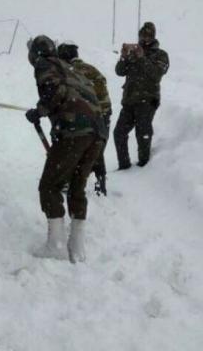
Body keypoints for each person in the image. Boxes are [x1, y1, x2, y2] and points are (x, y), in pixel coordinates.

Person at [25, 35, 107, 263]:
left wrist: (39, 111)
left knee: (50, 186)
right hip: (97, 132)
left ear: (35, 53)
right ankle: (77, 247)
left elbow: (54, 92)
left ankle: (56, 246)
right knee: (77, 186)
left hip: (75, 131)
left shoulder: (45, 64)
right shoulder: (70, 68)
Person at [57, 42, 112, 196]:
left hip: (86, 116)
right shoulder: (92, 69)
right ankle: (101, 185)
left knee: (71, 147)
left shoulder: (68, 72)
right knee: (97, 150)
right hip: (104, 115)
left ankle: (67, 182)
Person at [113, 22, 169, 169]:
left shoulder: (161, 55)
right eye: (142, 35)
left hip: (147, 100)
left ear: (153, 37)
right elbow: (119, 71)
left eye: (148, 35)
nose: (144, 38)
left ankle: (144, 167)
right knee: (119, 133)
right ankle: (124, 166)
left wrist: (142, 58)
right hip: (129, 100)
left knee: (143, 133)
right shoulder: (133, 53)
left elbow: (156, 75)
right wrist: (124, 56)